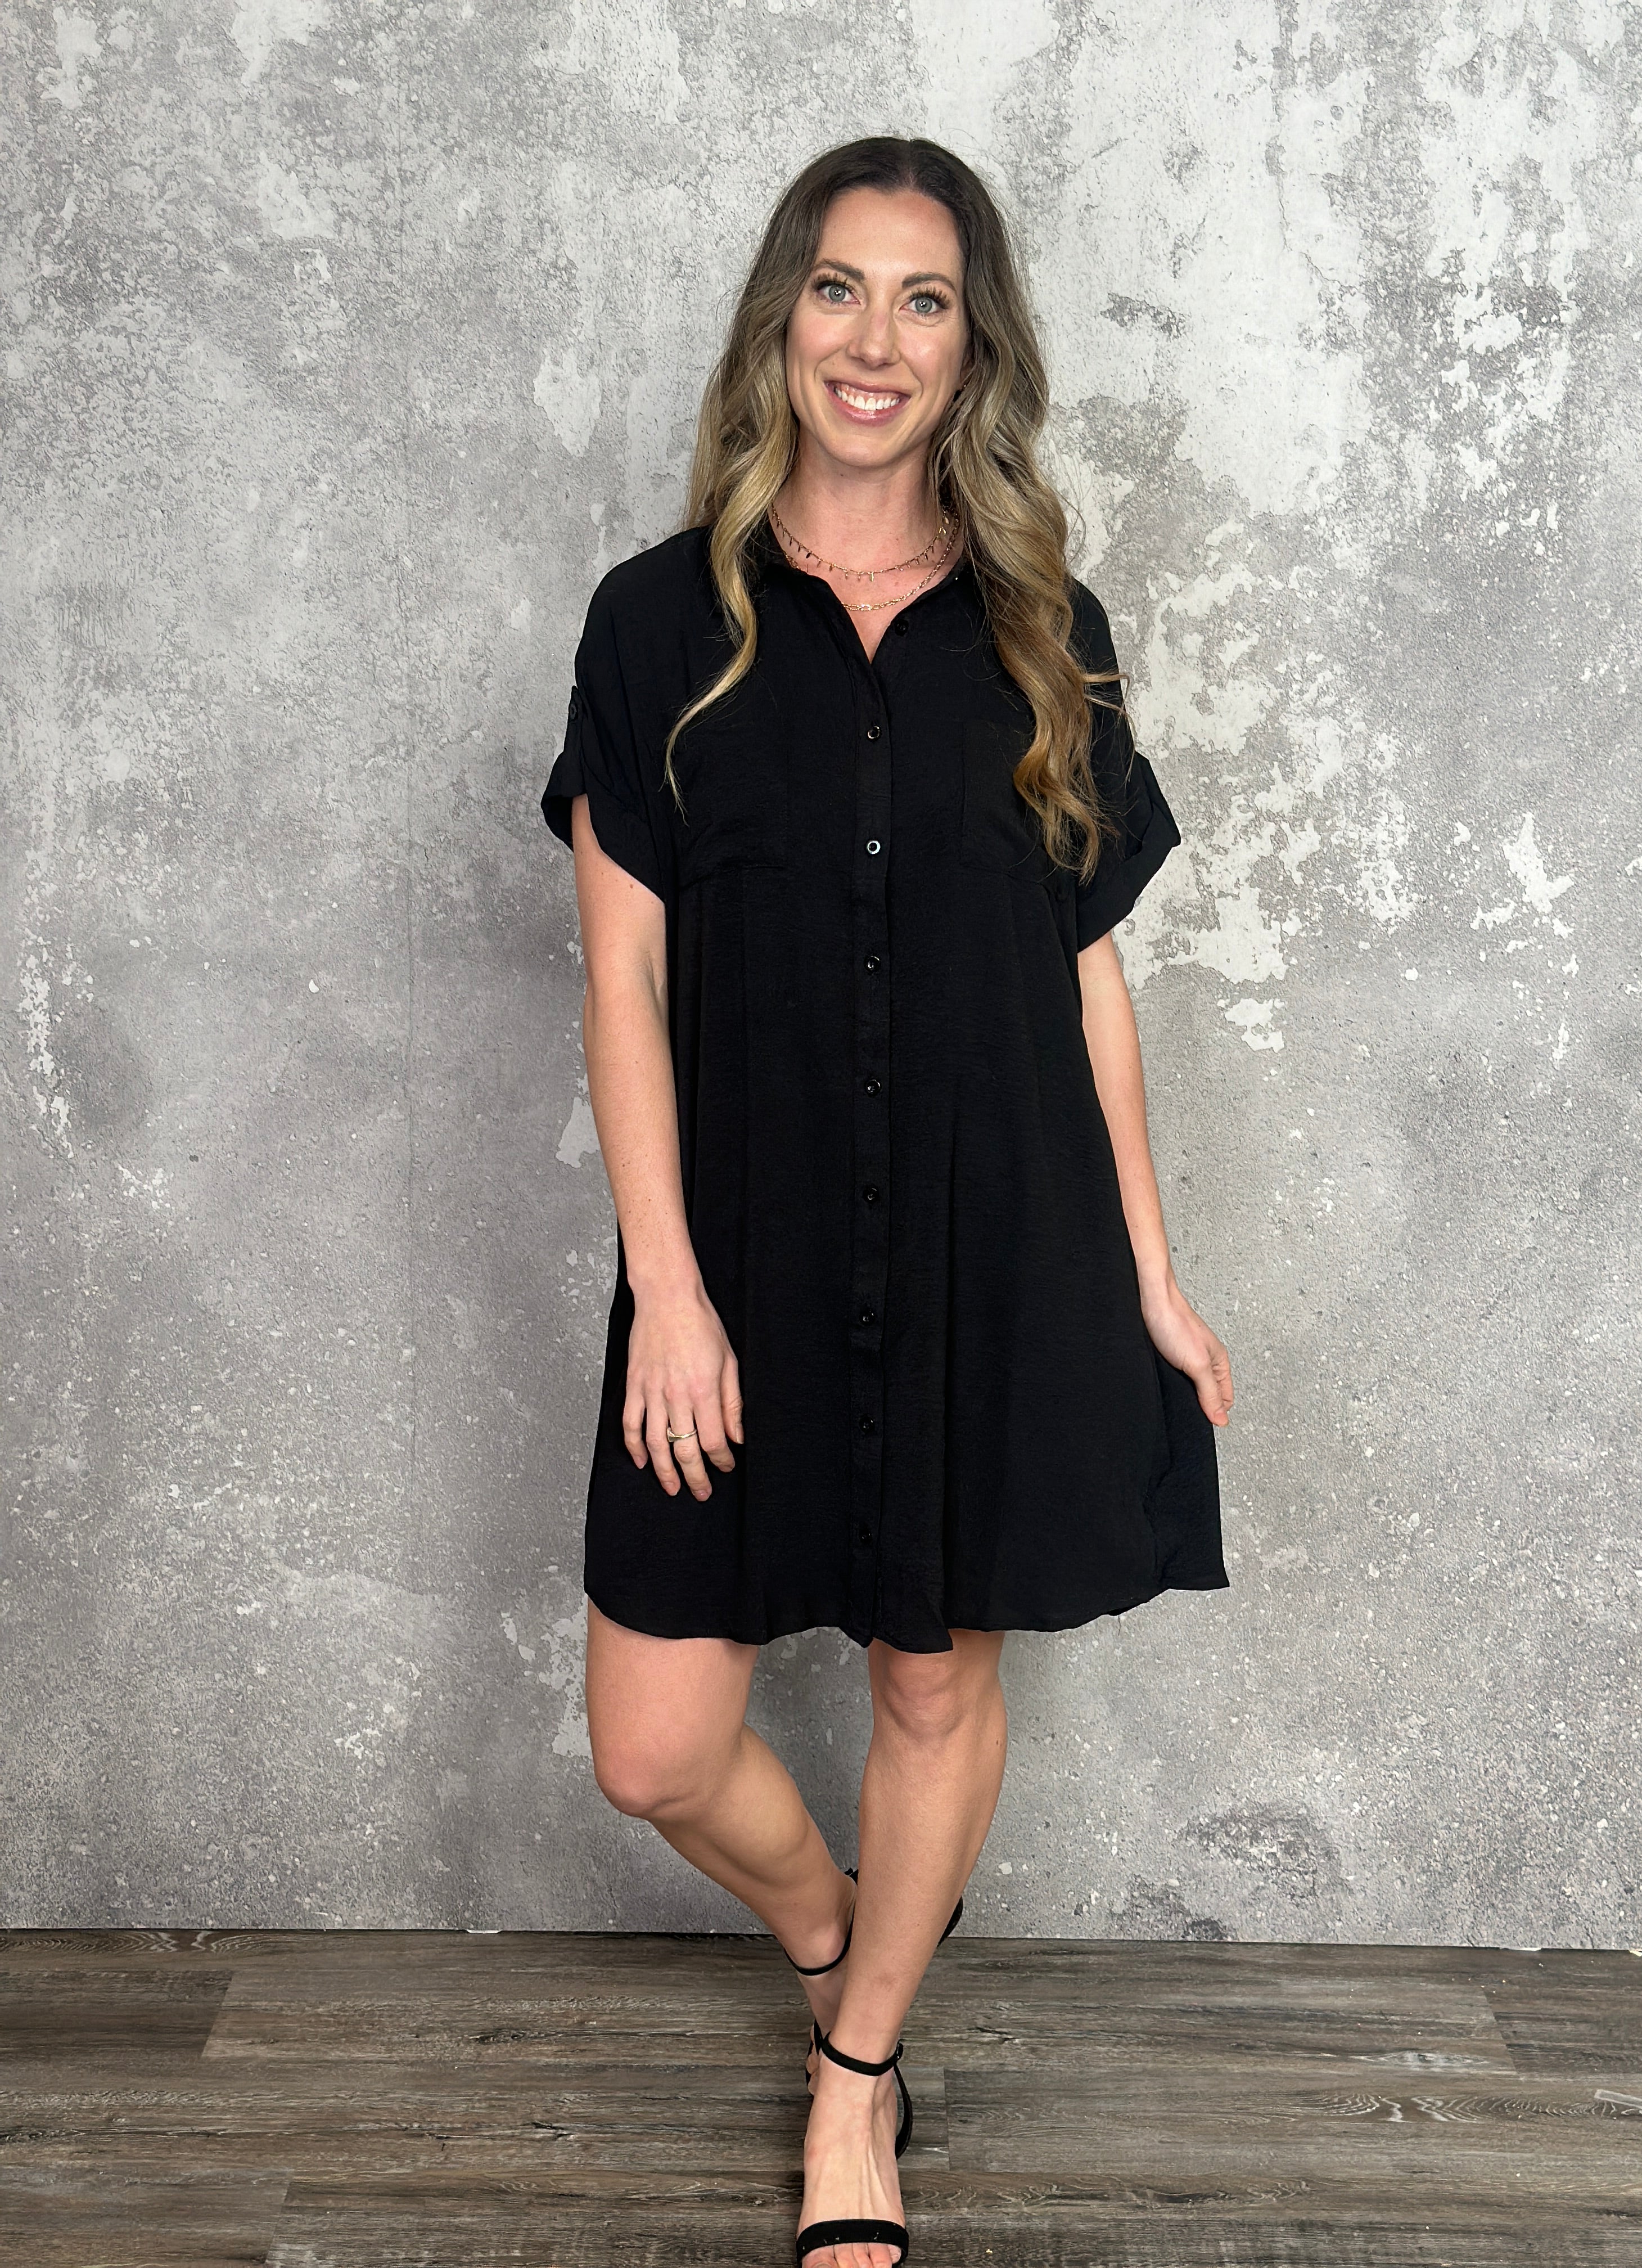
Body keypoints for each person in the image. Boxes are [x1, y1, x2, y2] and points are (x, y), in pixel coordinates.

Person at [540, 134, 1233, 2268]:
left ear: (972, 349)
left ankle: (859, 2086)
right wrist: (670, 1292)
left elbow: (1084, 980)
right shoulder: (659, 623)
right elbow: (623, 984)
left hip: (983, 1235)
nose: (876, 338)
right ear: (783, 323)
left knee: (934, 1687)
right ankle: (849, 1937)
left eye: (924, 299)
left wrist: (1152, 1276)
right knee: (655, 1746)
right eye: (840, 289)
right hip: (737, 1249)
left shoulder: (1043, 630)